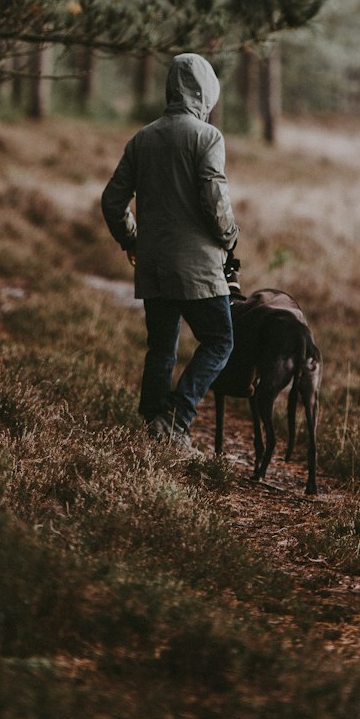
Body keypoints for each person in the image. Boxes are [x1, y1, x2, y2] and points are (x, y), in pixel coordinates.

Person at [101, 53, 240, 454]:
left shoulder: (142, 138)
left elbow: (112, 201)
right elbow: (215, 200)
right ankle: (176, 419)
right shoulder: (207, 137)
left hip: (154, 266)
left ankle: (151, 426)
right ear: (205, 92)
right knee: (220, 341)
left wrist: (133, 241)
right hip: (198, 268)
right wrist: (230, 237)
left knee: (161, 346)